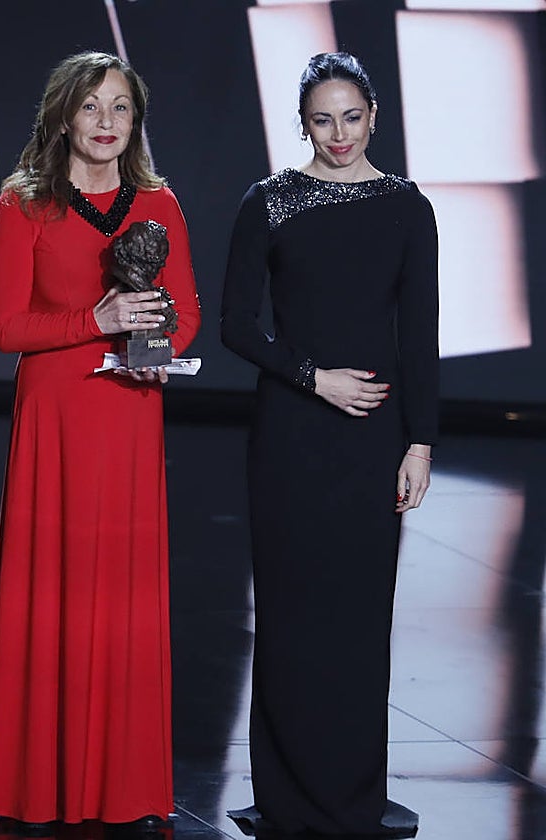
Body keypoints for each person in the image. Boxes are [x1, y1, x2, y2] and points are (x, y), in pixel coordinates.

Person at [0, 51, 201, 829]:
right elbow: (6, 329)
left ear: (137, 121)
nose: (107, 124)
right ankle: (37, 785)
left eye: (122, 110)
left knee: (128, 602)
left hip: (131, 415)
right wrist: (94, 322)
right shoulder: (22, 204)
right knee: (52, 596)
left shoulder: (159, 203)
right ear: (64, 115)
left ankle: (125, 788)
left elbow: (188, 309)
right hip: (57, 421)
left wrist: (161, 344)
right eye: (93, 108)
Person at [220, 52, 438, 839]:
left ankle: (353, 797)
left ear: (374, 116)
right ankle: (284, 794)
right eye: (322, 119)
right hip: (291, 433)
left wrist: (421, 443)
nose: (339, 134)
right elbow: (236, 325)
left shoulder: (407, 208)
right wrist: (315, 378)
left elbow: (419, 335)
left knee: (357, 617)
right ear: (302, 123)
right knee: (287, 613)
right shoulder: (270, 203)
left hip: (374, 439)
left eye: (351, 117)